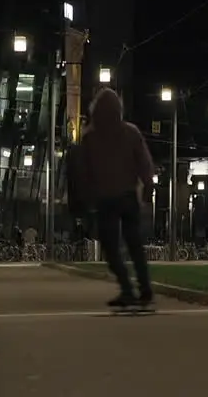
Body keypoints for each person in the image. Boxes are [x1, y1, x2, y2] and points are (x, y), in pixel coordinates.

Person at [71, 88, 156, 308]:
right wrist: (148, 187)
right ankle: (145, 288)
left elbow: (83, 171)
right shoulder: (131, 132)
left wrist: (86, 197)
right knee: (134, 244)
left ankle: (127, 288)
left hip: (105, 198)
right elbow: (145, 163)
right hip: (128, 196)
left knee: (111, 248)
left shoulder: (90, 136)